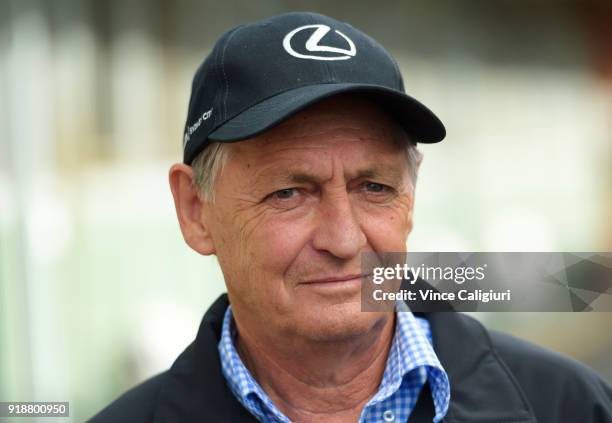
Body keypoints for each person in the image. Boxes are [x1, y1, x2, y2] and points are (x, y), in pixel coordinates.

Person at [89, 11, 612, 423]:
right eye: (290, 192)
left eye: (375, 187)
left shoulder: (572, 406)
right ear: (195, 211)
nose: (343, 239)